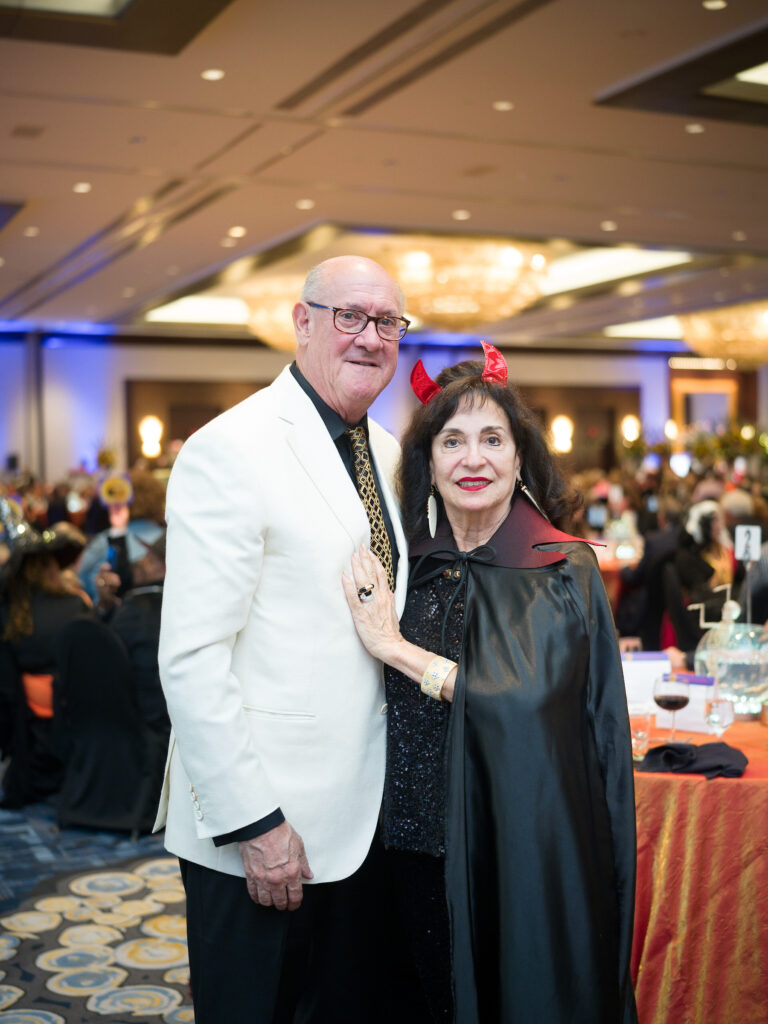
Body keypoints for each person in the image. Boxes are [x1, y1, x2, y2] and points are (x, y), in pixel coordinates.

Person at [342, 344, 638, 1023]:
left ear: (519, 458)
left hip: (522, 848)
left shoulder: (561, 570)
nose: (473, 460)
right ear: (427, 463)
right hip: (410, 842)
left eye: (491, 440)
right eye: (452, 441)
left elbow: (524, 703)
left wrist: (395, 649)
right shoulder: (408, 567)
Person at [155, 256, 413, 1022]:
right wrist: (255, 823)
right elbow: (193, 658)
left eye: (388, 323)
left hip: (365, 826)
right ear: (301, 323)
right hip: (264, 834)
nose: (371, 337)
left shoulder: (394, 454)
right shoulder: (230, 448)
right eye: (350, 317)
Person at [0, 499, 91, 807]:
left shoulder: (6, 613)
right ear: (52, 567)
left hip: (21, 711)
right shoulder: (74, 605)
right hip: (72, 704)